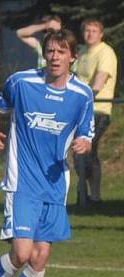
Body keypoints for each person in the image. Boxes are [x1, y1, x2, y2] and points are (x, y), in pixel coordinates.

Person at [0, 29, 93, 277]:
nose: (54, 57)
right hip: (22, 182)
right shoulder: (22, 82)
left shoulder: (82, 95)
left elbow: (86, 135)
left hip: (55, 185)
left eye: (61, 52)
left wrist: (83, 143)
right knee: (22, 253)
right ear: (45, 54)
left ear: (72, 57)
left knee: (40, 257)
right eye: (50, 51)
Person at [74, 19, 117, 208]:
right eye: (87, 30)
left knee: (88, 150)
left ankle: (94, 197)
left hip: (98, 109)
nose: (90, 34)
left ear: (101, 34)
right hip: (79, 110)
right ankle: (85, 193)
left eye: (94, 31)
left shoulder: (106, 52)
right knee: (78, 153)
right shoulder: (82, 52)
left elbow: (98, 83)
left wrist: (84, 98)